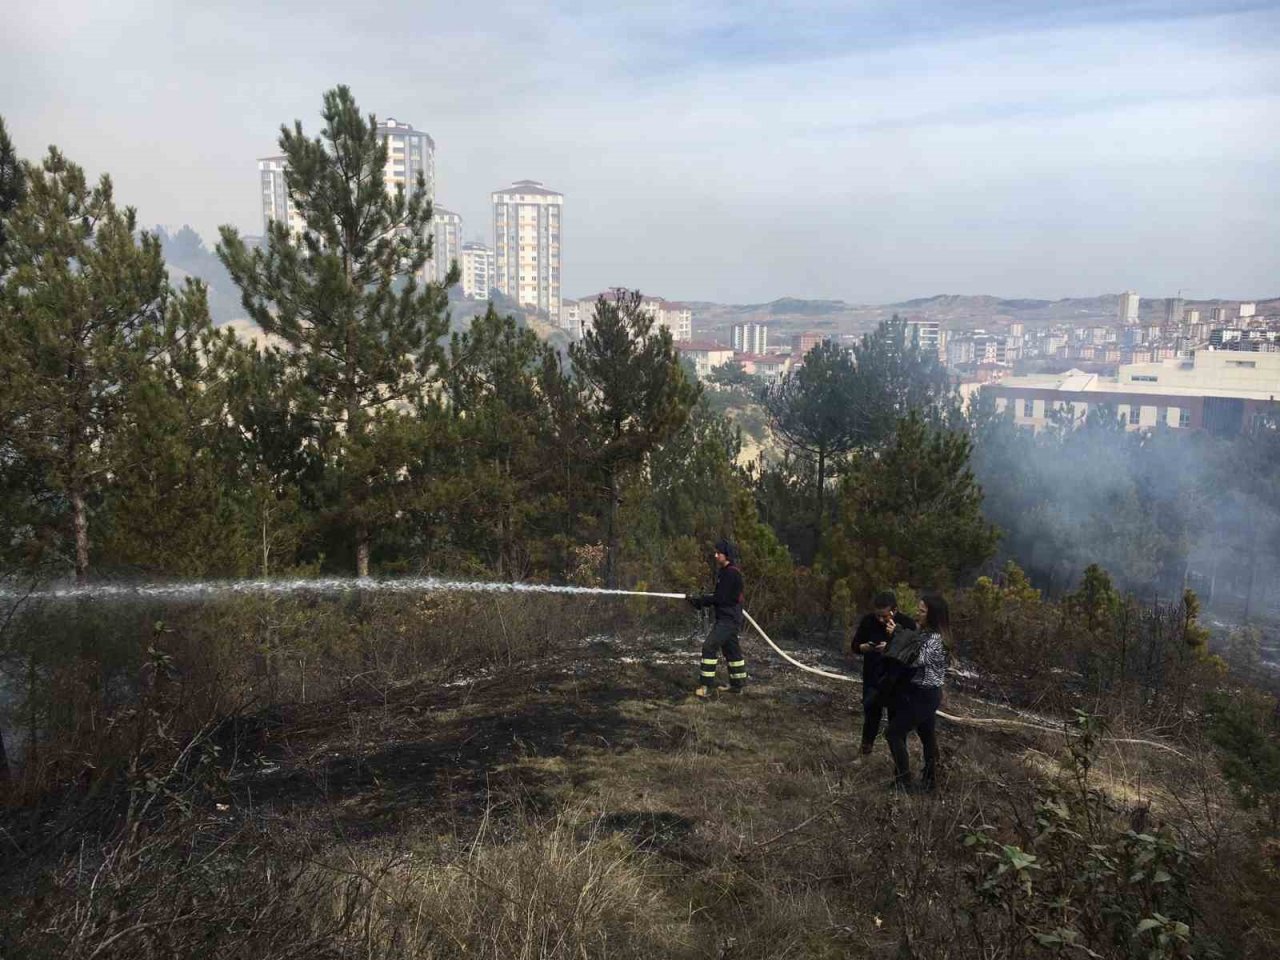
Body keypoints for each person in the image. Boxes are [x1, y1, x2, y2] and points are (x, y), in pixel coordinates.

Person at [884, 593, 950, 792]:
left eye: (922, 611)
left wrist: (898, 634)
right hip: (920, 692)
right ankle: (931, 782)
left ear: (933, 615)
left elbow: (913, 658)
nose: (917, 613)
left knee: (893, 733)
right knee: (927, 736)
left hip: (925, 695)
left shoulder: (935, 640)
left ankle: (904, 783)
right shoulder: (926, 633)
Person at [850, 590, 917, 755]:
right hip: (873, 676)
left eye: (885, 616)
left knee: (896, 722)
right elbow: (855, 645)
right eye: (877, 616)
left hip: (896, 680)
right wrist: (864, 647)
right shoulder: (868, 621)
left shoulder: (907, 624)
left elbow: (912, 652)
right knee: (871, 715)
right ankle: (865, 752)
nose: (880, 620)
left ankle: (899, 759)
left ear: (895, 610)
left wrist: (890, 645)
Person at [686, 538, 747, 697]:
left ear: (726, 555)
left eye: (718, 553)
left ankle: (706, 687)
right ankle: (738, 685)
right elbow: (720, 597)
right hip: (729, 618)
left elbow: (720, 598)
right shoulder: (726, 572)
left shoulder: (731, 574)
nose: (715, 555)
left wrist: (701, 601)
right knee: (732, 652)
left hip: (728, 620)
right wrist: (700, 600)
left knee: (709, 646)